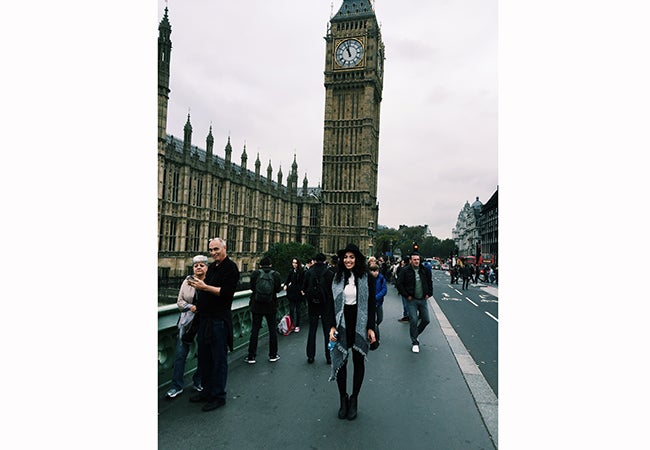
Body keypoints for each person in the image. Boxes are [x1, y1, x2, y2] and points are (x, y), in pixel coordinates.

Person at [188, 237, 240, 412]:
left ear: (224, 248)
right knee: (204, 358)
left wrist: (204, 287)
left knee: (218, 360)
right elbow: (206, 290)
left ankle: (218, 396)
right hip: (206, 319)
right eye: (210, 250)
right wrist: (198, 287)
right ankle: (207, 391)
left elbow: (226, 293)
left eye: (216, 249)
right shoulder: (212, 268)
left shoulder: (231, 268)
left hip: (219, 320)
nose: (213, 253)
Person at [326, 243, 376, 421]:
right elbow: (330, 305)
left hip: (359, 322)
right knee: (342, 360)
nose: (348, 260)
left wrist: (370, 327)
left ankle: (354, 398)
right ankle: (343, 398)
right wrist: (332, 325)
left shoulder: (367, 278)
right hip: (341, 322)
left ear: (357, 259)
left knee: (358, 360)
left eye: (352, 257)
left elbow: (371, 304)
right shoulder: (335, 278)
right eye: (346, 257)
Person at [166, 255, 207, 398]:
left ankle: (199, 381)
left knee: (203, 354)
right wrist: (191, 307)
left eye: (201, 265)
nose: (198, 267)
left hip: (204, 322)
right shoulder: (187, 281)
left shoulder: (210, 282)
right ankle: (176, 386)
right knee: (180, 354)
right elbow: (180, 301)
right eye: (196, 265)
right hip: (187, 322)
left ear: (207, 267)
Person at [245, 257, 283, 364]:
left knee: (255, 330)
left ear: (260, 265)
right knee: (272, 331)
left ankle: (251, 356)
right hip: (271, 305)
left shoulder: (255, 274)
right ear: (270, 265)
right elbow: (277, 289)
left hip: (257, 305)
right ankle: (273, 355)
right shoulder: (276, 274)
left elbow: (252, 287)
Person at [395, 252, 433, 353]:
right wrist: (406, 295)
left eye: (418, 259)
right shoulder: (405, 270)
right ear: (411, 260)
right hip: (412, 300)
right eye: (414, 259)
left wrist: (429, 293)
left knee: (426, 320)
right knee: (413, 320)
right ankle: (415, 342)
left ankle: (415, 334)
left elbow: (430, 282)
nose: (416, 261)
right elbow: (399, 283)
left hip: (423, 299)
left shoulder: (424, 270)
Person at [303, 253, 333, 364]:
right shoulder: (330, 273)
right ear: (325, 261)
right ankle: (329, 356)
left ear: (315, 261)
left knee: (312, 330)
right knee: (327, 332)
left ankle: (310, 356)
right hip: (326, 305)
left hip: (312, 304)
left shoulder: (309, 272)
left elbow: (304, 288)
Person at [284, 258, 305, 333]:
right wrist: (285, 285)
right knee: (292, 309)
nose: (294, 264)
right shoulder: (291, 271)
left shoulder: (302, 272)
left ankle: (297, 325)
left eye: (295, 263)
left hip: (298, 292)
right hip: (292, 292)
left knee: (298, 309)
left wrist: (302, 289)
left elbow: (303, 282)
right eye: (293, 263)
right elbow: (288, 279)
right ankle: (292, 324)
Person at [369, 263, 387, 343]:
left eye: (376, 271)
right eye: (372, 271)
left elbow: (384, 290)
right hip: (370, 303)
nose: (374, 273)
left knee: (380, 318)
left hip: (378, 302)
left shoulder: (382, 278)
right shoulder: (367, 279)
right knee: (373, 320)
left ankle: (372, 327)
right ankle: (376, 337)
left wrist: (376, 297)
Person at [396, 257, 410, 322]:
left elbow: (399, 281)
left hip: (405, 290)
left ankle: (406, 316)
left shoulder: (403, 269)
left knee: (405, 304)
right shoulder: (411, 269)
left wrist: (401, 291)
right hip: (410, 290)